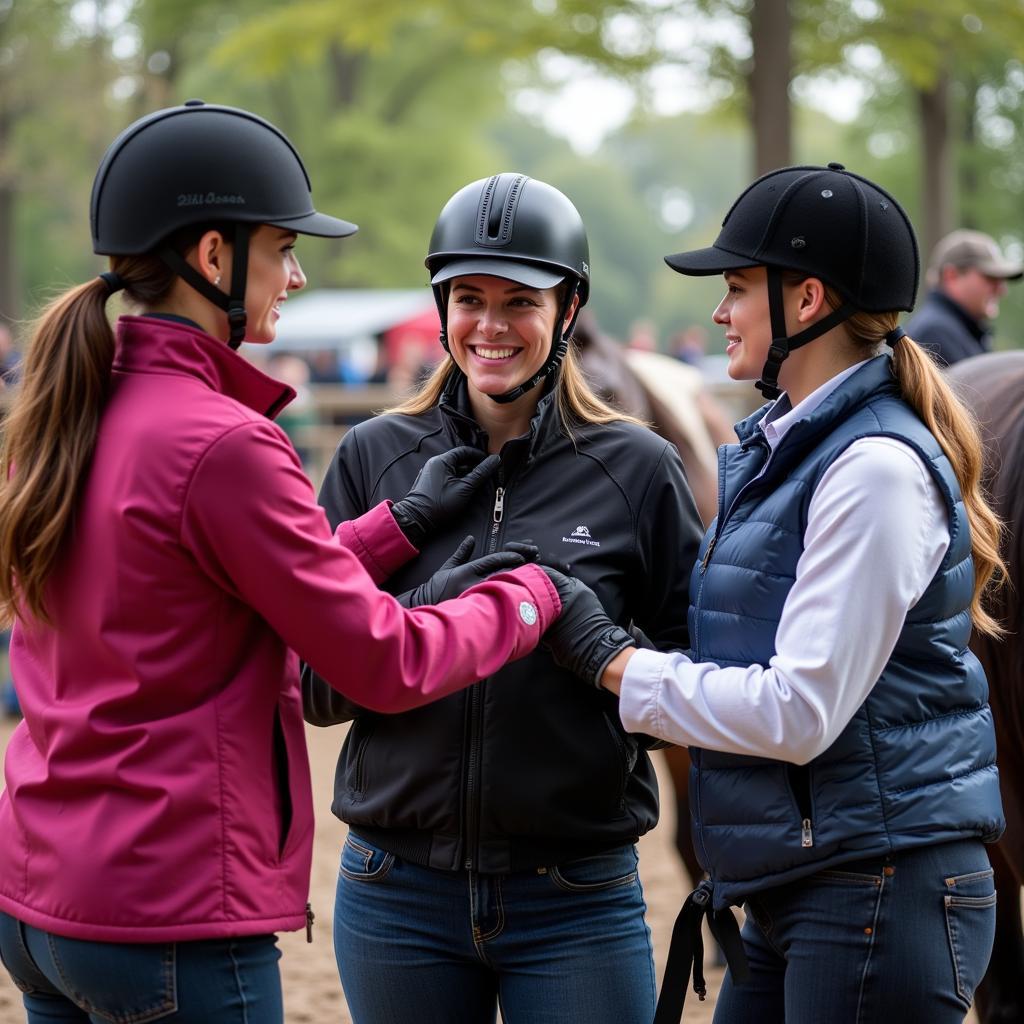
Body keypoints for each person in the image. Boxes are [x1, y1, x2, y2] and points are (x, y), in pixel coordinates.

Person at [0, 103, 626, 1023]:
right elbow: (384, 659)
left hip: (39, 897)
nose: (294, 275)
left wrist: (393, 528)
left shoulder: (68, 414)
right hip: (168, 907)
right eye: (282, 248)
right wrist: (528, 598)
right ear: (213, 257)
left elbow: (197, 584)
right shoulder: (226, 442)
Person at [591, 164, 1006, 1023]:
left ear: (807, 300)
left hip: (877, 890)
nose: (719, 311)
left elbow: (798, 709)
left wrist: (617, 668)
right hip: (811, 879)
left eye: (738, 287)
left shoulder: (874, 470)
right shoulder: (789, 450)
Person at [304, 172, 703, 1023]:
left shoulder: (639, 469)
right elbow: (312, 690)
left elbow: (694, 687)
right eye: (468, 299)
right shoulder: (373, 459)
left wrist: (602, 654)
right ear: (441, 305)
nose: (490, 326)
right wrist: (422, 617)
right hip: (394, 892)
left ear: (567, 311)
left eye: (519, 300)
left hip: (576, 895)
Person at [905, 228, 1022, 367]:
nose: (1002, 290)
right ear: (951, 276)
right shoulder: (935, 332)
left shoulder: (957, 330)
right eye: (991, 278)